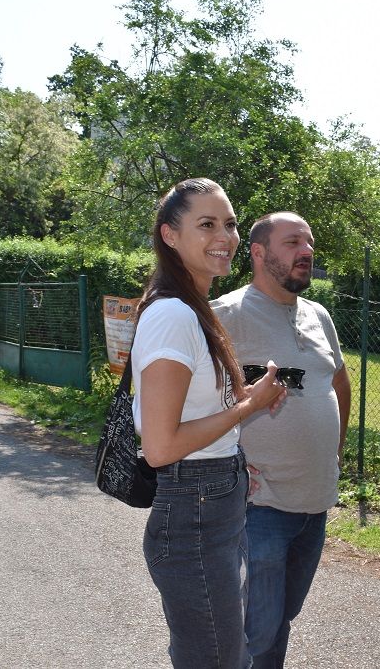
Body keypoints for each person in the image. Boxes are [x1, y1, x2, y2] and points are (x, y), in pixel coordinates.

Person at [133, 178, 286, 669]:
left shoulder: (195, 308)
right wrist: (249, 406)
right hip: (193, 510)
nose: (225, 235)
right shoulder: (174, 315)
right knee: (218, 659)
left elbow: (198, 409)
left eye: (230, 223)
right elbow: (160, 447)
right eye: (206, 224)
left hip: (212, 498)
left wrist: (234, 460)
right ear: (170, 236)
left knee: (215, 651)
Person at [211, 211, 351, 668]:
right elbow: (193, 401)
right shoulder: (225, 316)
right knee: (257, 629)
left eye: (308, 243)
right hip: (261, 504)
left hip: (315, 502)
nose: (306, 251)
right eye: (292, 243)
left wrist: (335, 451)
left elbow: (339, 383)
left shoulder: (319, 315)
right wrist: (227, 462)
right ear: (258, 253)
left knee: (281, 619)